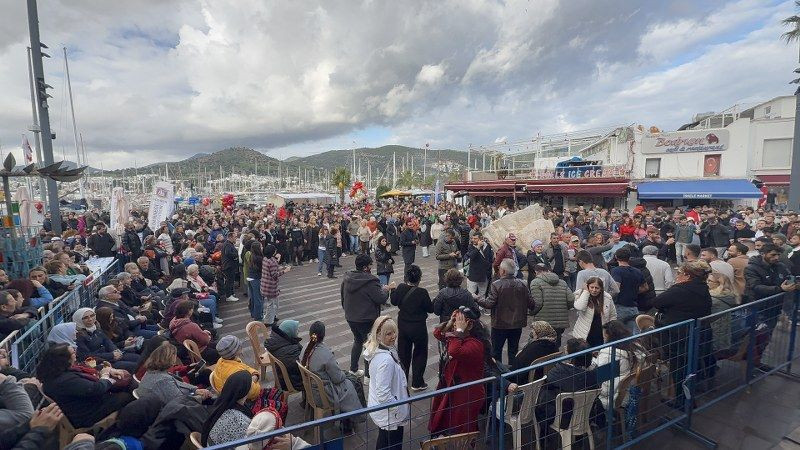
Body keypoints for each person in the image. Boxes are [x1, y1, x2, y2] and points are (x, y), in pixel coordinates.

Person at [652, 261, 713, 403]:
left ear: (686, 275)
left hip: (677, 336)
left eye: (679, 273)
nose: (677, 276)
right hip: (696, 333)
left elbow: (657, 302)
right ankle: (686, 396)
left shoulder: (680, 289)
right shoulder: (703, 287)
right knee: (689, 366)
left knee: (679, 368)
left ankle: (682, 402)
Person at [37, 344, 133, 429]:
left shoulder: (55, 372)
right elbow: (97, 389)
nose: (76, 353)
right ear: (65, 359)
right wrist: (105, 375)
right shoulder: (65, 380)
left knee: (122, 386)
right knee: (127, 396)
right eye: (73, 352)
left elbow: (86, 371)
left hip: (82, 403)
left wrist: (108, 370)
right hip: (85, 414)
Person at [429, 309, 489, 435]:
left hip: (466, 393)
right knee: (448, 422)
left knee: (462, 427)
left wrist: (459, 331)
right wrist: (450, 322)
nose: (455, 326)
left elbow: (454, 351)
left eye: (458, 322)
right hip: (455, 387)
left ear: (469, 324)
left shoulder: (476, 344)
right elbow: (438, 333)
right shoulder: (460, 337)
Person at [300, 321, 365, 419]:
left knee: (349, 377)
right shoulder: (326, 354)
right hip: (323, 394)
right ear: (323, 335)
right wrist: (344, 373)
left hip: (311, 389)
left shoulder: (305, 347)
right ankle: (353, 419)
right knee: (354, 381)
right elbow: (337, 379)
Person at [477, 259, 536, 365]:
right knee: (513, 351)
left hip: (500, 324)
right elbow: (532, 304)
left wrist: (477, 298)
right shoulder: (522, 284)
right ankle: (512, 373)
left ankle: (499, 374)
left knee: (496, 351)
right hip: (517, 324)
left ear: (503, 271)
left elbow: (489, 304)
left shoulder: (496, 284)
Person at [341, 253, 393, 375]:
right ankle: (368, 375)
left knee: (358, 341)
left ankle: (353, 369)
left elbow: (343, 297)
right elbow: (380, 298)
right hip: (366, 318)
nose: (372, 267)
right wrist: (386, 290)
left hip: (351, 317)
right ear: (365, 267)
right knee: (369, 344)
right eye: (370, 265)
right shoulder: (370, 281)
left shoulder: (347, 278)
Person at [363, 316, 408, 450]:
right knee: (392, 443)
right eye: (388, 333)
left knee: (384, 440)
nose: (394, 336)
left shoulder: (377, 350)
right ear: (378, 335)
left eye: (394, 332)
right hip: (390, 414)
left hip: (381, 409)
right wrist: (398, 409)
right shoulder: (386, 361)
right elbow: (383, 394)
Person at [535, 338, 597, 429]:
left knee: (545, 392)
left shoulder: (561, 371)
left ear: (572, 357)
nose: (564, 349)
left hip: (562, 418)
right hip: (586, 416)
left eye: (566, 350)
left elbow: (547, 380)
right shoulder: (594, 373)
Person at [390, 264, 433, 391]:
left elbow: (394, 301)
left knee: (403, 352)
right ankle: (417, 382)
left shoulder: (401, 287)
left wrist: (392, 290)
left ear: (406, 277)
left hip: (403, 325)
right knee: (420, 352)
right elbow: (430, 308)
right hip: (418, 326)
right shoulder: (422, 292)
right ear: (419, 278)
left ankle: (402, 379)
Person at [591, 320, 644, 410]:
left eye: (605, 335)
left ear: (611, 336)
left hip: (612, 397)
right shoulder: (634, 347)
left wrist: (592, 358)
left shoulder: (610, 354)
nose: (604, 337)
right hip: (628, 392)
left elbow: (597, 372)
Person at [138, 343, 213, 404]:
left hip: (167, 405)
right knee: (210, 398)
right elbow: (180, 402)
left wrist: (195, 391)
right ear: (170, 358)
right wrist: (200, 397)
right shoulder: (163, 381)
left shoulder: (151, 372)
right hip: (171, 412)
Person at [73, 308, 139, 372]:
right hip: (100, 362)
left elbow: (107, 341)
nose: (90, 319)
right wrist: (111, 355)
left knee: (138, 358)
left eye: (92, 315)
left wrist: (116, 351)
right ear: (79, 320)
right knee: (134, 366)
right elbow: (86, 356)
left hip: (111, 355)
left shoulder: (96, 328)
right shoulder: (78, 336)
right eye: (85, 318)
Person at [201, 371, 254, 446]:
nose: (253, 384)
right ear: (246, 390)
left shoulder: (220, 404)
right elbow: (253, 444)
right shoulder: (240, 421)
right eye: (251, 383)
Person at [529, 262, 574, 346]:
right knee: (556, 345)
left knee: (542, 346)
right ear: (548, 270)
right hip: (560, 320)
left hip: (543, 321)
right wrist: (564, 308)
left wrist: (531, 312)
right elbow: (571, 299)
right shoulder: (562, 282)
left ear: (536, 272)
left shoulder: (535, 282)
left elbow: (538, 303)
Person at [509, 321, 560, 385]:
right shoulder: (554, 345)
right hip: (542, 376)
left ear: (540, 332)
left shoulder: (533, 348)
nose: (532, 332)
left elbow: (519, 363)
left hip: (521, 378)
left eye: (534, 330)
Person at [211, 335, 261, 400]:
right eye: (239, 346)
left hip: (231, 396)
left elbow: (245, 367)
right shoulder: (236, 371)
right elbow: (254, 393)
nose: (241, 346)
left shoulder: (222, 360)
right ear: (235, 352)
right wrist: (255, 378)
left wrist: (254, 374)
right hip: (242, 401)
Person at [573, 277, 617, 348]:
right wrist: (586, 292)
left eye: (597, 288)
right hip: (584, 333)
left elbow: (613, 315)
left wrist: (610, 331)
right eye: (591, 287)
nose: (594, 290)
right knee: (583, 357)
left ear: (601, 289)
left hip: (600, 333)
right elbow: (579, 307)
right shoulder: (580, 294)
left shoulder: (607, 298)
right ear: (588, 287)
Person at [610, 247, 644, 332]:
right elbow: (645, 287)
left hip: (620, 307)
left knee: (617, 333)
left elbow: (616, 288)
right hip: (634, 307)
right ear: (629, 258)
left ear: (616, 257)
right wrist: (634, 290)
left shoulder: (616, 271)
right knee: (633, 334)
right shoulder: (637, 271)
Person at [264, 320, 303, 391]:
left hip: (281, 376)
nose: (298, 331)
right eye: (296, 330)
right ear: (289, 332)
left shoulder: (275, 341)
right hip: (292, 382)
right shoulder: (291, 351)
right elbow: (301, 367)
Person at [260, 244, 290, 326]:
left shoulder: (265, 258)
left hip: (265, 284)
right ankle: (268, 321)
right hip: (270, 286)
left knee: (274, 302)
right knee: (271, 304)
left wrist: (279, 264)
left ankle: (273, 316)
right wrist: (285, 271)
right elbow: (274, 275)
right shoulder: (272, 261)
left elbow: (272, 268)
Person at [708, 272, 736, 352]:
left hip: (714, 330)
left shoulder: (714, 298)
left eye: (710, 281)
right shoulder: (728, 295)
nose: (707, 282)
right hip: (724, 329)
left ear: (719, 284)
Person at [465, 231, 493, 298]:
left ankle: (481, 308)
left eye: (475, 238)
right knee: (471, 294)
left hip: (484, 275)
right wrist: (478, 247)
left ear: (481, 239)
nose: (473, 240)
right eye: (472, 238)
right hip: (474, 274)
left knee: (482, 294)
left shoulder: (487, 246)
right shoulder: (471, 246)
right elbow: (471, 257)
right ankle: (471, 307)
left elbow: (490, 258)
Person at [247, 241, 265, 321]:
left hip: (250, 278)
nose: (262, 247)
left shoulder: (252, 256)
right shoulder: (259, 258)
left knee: (253, 298)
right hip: (257, 279)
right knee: (258, 298)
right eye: (261, 246)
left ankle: (253, 313)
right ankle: (258, 316)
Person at [220, 232, 239, 302]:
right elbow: (228, 253)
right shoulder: (227, 244)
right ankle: (228, 296)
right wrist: (235, 255)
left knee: (231, 280)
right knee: (229, 281)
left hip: (230, 265)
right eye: (234, 237)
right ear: (230, 237)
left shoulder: (229, 244)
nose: (235, 238)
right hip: (228, 266)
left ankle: (231, 293)